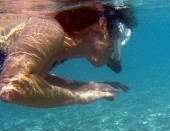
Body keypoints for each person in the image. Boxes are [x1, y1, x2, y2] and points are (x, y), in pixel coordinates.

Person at [0, 0, 137, 108]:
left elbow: (33, 76)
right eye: (118, 34)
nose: (117, 45)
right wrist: (78, 95)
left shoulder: (61, 50)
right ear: (102, 25)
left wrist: (83, 87)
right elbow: (12, 88)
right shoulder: (49, 31)